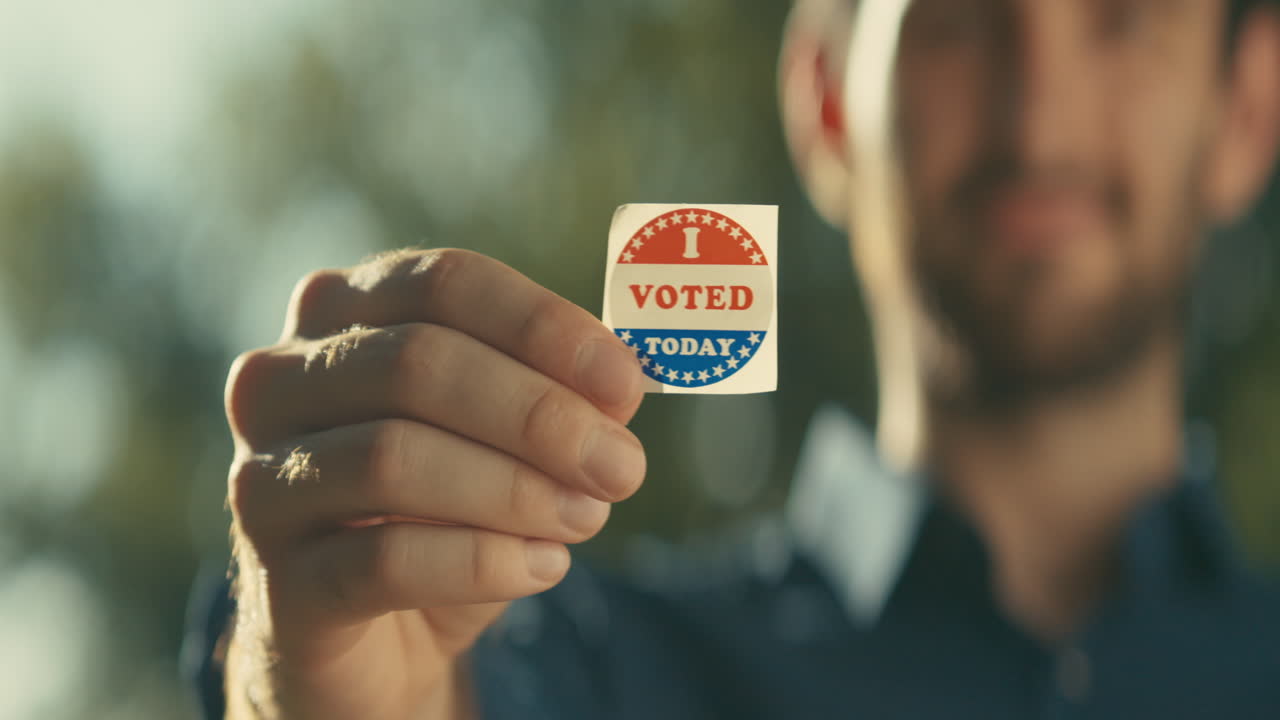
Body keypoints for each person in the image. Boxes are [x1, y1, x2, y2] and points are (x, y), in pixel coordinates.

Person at [185, 0, 1280, 717]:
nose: (1038, 120)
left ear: (1243, 109)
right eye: (952, 16)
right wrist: (315, 679)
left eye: (1125, 18)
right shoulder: (571, 660)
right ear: (826, 105)